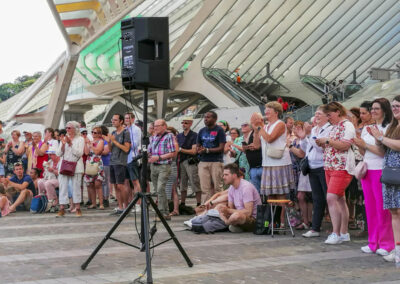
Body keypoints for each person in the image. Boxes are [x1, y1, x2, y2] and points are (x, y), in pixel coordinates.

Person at [354, 98, 394, 256]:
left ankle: (386, 242)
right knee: (370, 207)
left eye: (377, 108)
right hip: (367, 169)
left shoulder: (389, 127)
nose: (373, 111)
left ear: (385, 110)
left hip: (381, 169)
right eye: (372, 109)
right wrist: (359, 145)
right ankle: (373, 241)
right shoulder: (367, 128)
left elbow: (383, 152)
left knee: (382, 209)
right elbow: (364, 152)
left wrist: (365, 145)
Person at [316, 102, 356, 245]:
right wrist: (325, 143)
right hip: (330, 166)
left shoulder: (347, 125)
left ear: (338, 112)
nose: (328, 118)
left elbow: (345, 145)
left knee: (331, 198)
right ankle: (343, 232)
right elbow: (333, 143)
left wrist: (327, 140)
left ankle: (336, 232)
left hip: (342, 166)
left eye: (329, 115)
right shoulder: (334, 127)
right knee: (339, 199)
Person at [251, 102, 295, 226]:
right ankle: (272, 221)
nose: (266, 111)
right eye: (265, 109)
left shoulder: (280, 124)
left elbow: (270, 139)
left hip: (279, 163)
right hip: (267, 163)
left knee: (280, 194)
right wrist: (255, 130)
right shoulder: (265, 126)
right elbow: (256, 145)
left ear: (276, 112)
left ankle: (281, 222)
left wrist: (259, 127)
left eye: (269, 109)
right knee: (270, 194)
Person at [370, 95, 400, 264]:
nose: (395, 108)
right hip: (390, 173)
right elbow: (384, 148)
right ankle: (398, 248)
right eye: (394, 106)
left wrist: (381, 138)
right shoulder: (392, 126)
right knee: (394, 211)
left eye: (398, 106)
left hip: (398, 172)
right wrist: (377, 137)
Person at [297, 106, 332, 238]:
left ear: (327, 116)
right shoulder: (315, 130)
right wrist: (304, 137)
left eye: (319, 114)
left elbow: (320, 148)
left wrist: (309, 135)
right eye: (316, 114)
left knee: (329, 197)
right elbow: (307, 148)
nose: (316, 116)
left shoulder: (329, 129)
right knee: (317, 198)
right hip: (312, 166)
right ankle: (315, 227)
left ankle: (335, 227)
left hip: (323, 167)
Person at [216, 163, 261, 233]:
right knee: (219, 206)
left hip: (252, 219)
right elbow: (230, 208)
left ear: (234, 175)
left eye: (226, 175)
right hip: (239, 215)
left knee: (237, 216)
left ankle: (227, 224)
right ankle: (233, 224)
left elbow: (248, 212)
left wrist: (228, 211)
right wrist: (226, 210)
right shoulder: (231, 187)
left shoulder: (246, 187)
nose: (223, 177)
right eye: (223, 175)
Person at [148, 119, 176, 219]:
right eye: (154, 126)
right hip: (154, 165)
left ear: (164, 126)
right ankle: (165, 212)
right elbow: (150, 151)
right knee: (158, 190)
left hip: (164, 166)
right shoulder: (153, 137)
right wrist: (149, 156)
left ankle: (162, 212)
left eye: (158, 126)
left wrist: (159, 157)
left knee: (160, 188)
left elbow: (173, 153)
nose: (155, 128)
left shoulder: (169, 136)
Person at [56, 121, 85, 217]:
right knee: (63, 187)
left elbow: (79, 153)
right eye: (66, 128)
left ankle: (77, 208)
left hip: (76, 166)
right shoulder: (63, 138)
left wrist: (70, 143)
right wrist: (63, 144)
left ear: (75, 129)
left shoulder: (80, 139)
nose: (67, 130)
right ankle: (62, 208)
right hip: (64, 165)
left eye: (69, 128)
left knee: (76, 187)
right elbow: (58, 154)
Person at [197, 111, 226, 202]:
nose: (205, 119)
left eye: (208, 117)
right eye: (205, 117)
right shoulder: (201, 131)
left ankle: (219, 207)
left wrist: (207, 150)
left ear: (215, 119)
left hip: (216, 161)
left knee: (218, 188)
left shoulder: (219, 130)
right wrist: (199, 149)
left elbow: (221, 148)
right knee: (205, 189)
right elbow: (198, 145)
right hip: (203, 161)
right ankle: (205, 209)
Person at [106, 114, 131, 215]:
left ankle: (126, 207)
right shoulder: (113, 132)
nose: (113, 121)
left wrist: (114, 141)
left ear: (121, 121)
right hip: (112, 161)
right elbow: (111, 149)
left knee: (121, 185)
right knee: (116, 186)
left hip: (120, 162)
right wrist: (108, 143)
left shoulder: (126, 132)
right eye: (112, 120)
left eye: (115, 120)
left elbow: (126, 148)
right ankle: (120, 207)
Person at [290, 121, 312, 230]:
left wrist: (289, 146)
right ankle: (306, 220)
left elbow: (301, 154)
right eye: (294, 127)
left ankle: (309, 221)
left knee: (307, 196)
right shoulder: (294, 140)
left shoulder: (307, 139)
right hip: (297, 170)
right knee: (301, 196)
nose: (296, 129)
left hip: (306, 169)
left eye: (299, 127)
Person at [177, 117, 201, 207]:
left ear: (191, 124)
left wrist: (181, 149)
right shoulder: (179, 136)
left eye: (186, 123)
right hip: (181, 161)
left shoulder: (195, 135)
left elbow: (193, 151)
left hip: (191, 161)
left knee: (195, 182)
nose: (184, 124)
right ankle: (182, 203)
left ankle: (198, 203)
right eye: (182, 122)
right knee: (182, 183)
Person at [84, 126, 105, 210]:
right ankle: (93, 203)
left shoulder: (101, 141)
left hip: (97, 162)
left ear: (99, 134)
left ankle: (101, 203)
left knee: (98, 184)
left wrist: (91, 145)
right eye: (92, 132)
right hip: (89, 162)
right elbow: (86, 153)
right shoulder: (90, 141)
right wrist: (86, 144)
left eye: (95, 132)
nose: (93, 134)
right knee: (90, 184)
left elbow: (97, 151)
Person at [124, 112, 142, 211]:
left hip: (132, 158)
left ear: (133, 119)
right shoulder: (125, 129)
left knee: (135, 181)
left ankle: (138, 204)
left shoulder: (136, 129)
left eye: (128, 118)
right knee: (126, 182)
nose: (127, 120)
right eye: (126, 118)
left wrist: (122, 144)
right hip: (124, 159)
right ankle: (130, 203)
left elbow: (135, 144)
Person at [242, 121, 263, 193]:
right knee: (256, 192)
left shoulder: (262, 131)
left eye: (245, 125)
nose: (253, 122)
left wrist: (257, 145)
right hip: (253, 168)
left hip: (262, 166)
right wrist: (247, 147)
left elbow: (261, 145)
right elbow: (244, 151)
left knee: (267, 192)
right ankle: (259, 204)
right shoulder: (249, 134)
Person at [100, 125, 111, 207]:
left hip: (106, 162)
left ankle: (106, 198)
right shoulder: (98, 140)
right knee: (100, 182)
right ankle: (101, 198)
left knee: (105, 181)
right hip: (99, 163)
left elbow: (106, 151)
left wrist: (96, 150)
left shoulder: (106, 140)